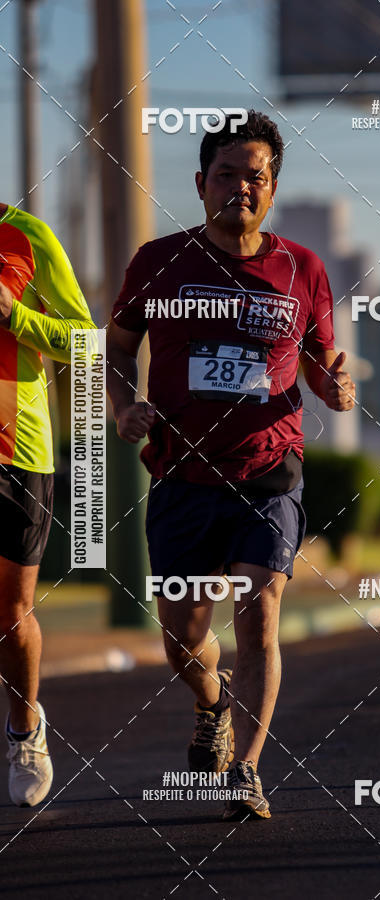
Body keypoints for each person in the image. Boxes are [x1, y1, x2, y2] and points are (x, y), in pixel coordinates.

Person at [106, 109, 355, 820]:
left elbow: (320, 363)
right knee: (183, 638)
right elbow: (118, 348)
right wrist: (125, 406)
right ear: (200, 182)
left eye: (256, 177)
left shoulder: (302, 269)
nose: (240, 188)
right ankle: (212, 704)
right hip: (183, 475)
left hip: (269, 471)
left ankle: (245, 769)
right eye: (226, 175)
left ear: (272, 189)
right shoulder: (159, 262)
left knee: (259, 614)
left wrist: (335, 386)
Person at [0, 203, 95, 806]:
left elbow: (85, 342)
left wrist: (15, 315)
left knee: (11, 613)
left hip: (18, 450)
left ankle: (24, 727)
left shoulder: (26, 235)